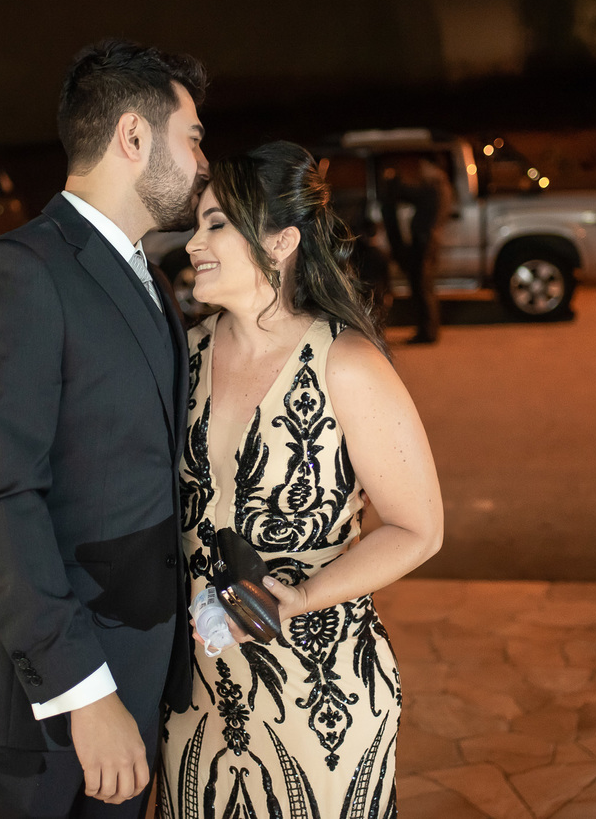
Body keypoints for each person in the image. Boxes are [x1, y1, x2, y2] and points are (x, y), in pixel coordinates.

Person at [0, 40, 209, 819]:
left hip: (128, 669)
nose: (204, 161)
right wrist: (85, 693)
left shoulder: (143, 275)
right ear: (134, 138)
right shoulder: (18, 276)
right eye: (194, 137)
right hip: (39, 694)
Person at [157, 141, 444, 817]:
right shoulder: (184, 358)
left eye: (216, 223)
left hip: (320, 701)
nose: (193, 242)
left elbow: (418, 528)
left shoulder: (346, 364)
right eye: (197, 224)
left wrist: (303, 595)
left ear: (281, 241)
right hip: (196, 696)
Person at [380, 155, 451, 344]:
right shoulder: (440, 187)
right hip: (428, 241)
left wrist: (392, 181)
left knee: (422, 287)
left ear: (433, 167)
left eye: (424, 166)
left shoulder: (435, 187)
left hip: (425, 242)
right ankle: (428, 331)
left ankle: (427, 333)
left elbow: (408, 193)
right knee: (424, 286)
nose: (421, 171)